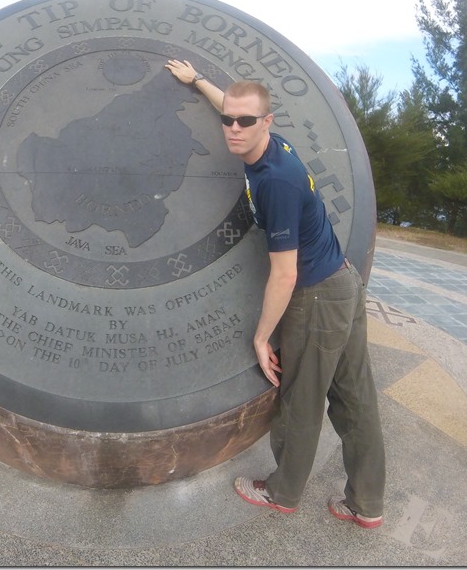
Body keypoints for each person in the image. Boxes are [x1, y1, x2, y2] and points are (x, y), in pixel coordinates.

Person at [164, 59, 386, 528]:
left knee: (301, 399)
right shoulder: (270, 146)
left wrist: (262, 337)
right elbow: (233, 103)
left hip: (317, 295)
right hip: (342, 283)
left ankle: (282, 492)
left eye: (246, 121)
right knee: (355, 398)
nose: (233, 128)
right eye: (229, 121)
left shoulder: (275, 182)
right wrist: (199, 81)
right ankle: (367, 504)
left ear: (268, 122)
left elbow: (284, 275)